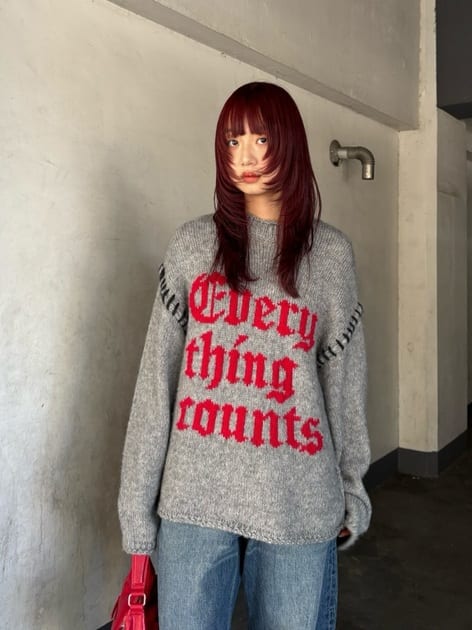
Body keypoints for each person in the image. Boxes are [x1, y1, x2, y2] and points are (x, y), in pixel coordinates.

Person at [118, 81, 371, 629]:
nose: (246, 157)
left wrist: (352, 487)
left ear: (290, 143)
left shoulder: (329, 257)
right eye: (232, 142)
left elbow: (344, 385)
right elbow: (156, 383)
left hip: (297, 498)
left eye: (262, 139)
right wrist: (136, 506)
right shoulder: (193, 246)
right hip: (193, 497)